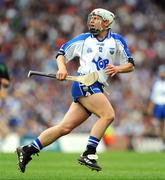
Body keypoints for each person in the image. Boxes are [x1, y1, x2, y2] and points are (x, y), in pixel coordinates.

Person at [16, 8, 135, 173]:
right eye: (91, 18)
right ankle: (89, 153)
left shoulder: (117, 41)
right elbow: (61, 53)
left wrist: (118, 68)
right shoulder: (83, 39)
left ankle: (28, 150)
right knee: (108, 115)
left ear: (106, 22)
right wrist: (62, 68)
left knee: (64, 128)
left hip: (97, 85)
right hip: (84, 82)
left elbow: (130, 64)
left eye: (96, 18)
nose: (91, 21)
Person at [147, 65, 165, 143]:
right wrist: (150, 108)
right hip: (159, 106)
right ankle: (162, 141)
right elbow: (153, 97)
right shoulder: (157, 84)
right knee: (159, 126)